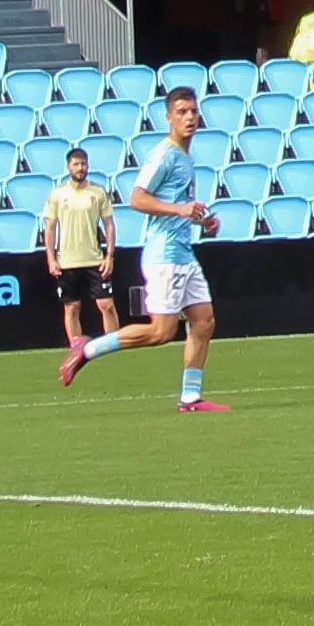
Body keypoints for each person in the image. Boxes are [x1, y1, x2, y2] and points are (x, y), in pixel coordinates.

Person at [71, 86, 232, 406]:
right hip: (164, 256)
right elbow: (137, 198)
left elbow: (177, 204)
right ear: (168, 117)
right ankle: (88, 349)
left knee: (204, 321)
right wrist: (180, 210)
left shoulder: (186, 156)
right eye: (182, 112)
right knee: (161, 331)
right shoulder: (165, 154)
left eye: (193, 111)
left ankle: (190, 395)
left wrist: (200, 220)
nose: (189, 117)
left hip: (183, 252)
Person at [41, 146, 121, 366]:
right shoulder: (58, 194)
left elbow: (109, 225)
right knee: (72, 307)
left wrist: (109, 255)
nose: (80, 168)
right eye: (76, 164)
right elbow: (49, 228)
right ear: (68, 167)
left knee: (107, 305)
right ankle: (76, 348)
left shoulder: (97, 192)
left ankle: (112, 346)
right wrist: (51, 257)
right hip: (67, 260)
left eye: (83, 164)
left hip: (95, 259)